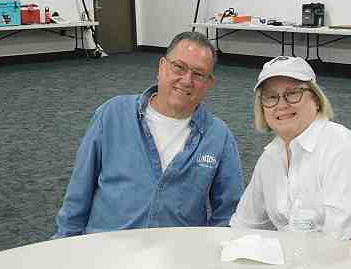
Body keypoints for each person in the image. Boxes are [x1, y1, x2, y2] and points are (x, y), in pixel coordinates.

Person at [53, 31, 243, 238]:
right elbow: (78, 193)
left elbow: (229, 212)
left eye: (198, 74)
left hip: (177, 251)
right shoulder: (113, 114)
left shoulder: (218, 136)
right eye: (179, 67)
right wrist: (64, 244)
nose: (187, 80)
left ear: (209, 83)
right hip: (108, 246)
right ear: (161, 67)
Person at [230, 55, 351, 239]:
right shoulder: (271, 157)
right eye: (271, 97)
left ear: (316, 99)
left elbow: (343, 242)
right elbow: (244, 224)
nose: (281, 105)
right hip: (299, 252)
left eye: (293, 93)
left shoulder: (342, 152)